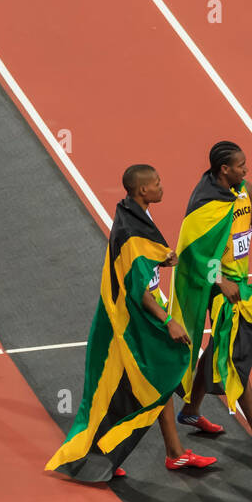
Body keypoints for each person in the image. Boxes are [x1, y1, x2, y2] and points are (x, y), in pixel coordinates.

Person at [46, 165, 216, 482]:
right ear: (142, 191)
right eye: (157, 183)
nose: (162, 187)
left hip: (133, 317)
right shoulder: (131, 231)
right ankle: (94, 455)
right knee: (122, 390)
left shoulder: (133, 215)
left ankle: (173, 454)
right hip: (127, 324)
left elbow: (140, 263)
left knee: (153, 383)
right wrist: (169, 322)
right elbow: (138, 293)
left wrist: (161, 257)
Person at [171, 141, 252, 452]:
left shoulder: (245, 191)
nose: (246, 168)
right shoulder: (205, 204)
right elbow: (193, 254)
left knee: (219, 348)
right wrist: (220, 279)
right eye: (240, 165)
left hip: (239, 280)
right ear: (224, 169)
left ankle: (190, 411)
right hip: (219, 288)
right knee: (235, 357)